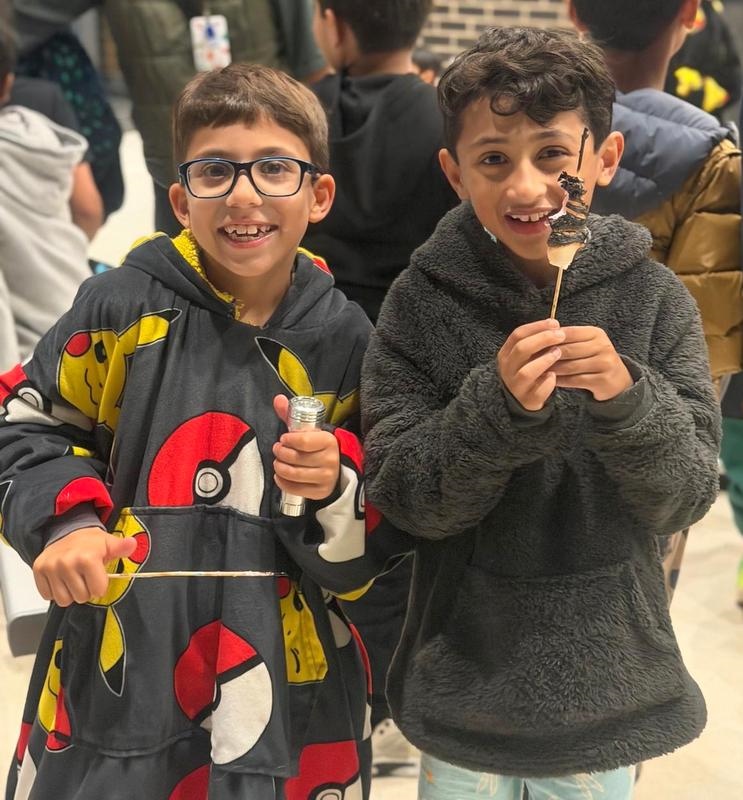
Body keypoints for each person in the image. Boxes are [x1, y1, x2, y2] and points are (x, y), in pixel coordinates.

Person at [1, 63, 409, 800]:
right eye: (216, 170)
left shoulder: (348, 339)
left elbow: (377, 536)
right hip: (118, 669)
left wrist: (334, 483)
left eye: (274, 168)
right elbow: (25, 423)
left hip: (291, 690)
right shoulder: (117, 309)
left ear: (318, 195)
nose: (244, 194)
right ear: (181, 200)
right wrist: (68, 524)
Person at [361, 26, 720, 800]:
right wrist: (492, 411)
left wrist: (627, 402)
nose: (526, 188)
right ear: (454, 173)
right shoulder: (418, 304)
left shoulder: (655, 301)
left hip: (607, 681)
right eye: (494, 159)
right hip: (463, 681)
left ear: (605, 159)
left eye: (553, 155)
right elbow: (404, 497)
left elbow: (687, 495)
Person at [304, 0, 458, 776]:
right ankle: (388, 697)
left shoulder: (304, 113)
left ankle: (325, 684)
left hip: (308, 346)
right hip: (412, 351)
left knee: (316, 517)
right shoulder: (442, 120)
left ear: (332, 21)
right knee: (392, 524)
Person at [569, 0, 742, 601]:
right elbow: (706, 346)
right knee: (640, 612)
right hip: (652, 438)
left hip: (526, 400)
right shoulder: (713, 161)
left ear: (573, 11)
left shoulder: (519, 133)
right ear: (690, 14)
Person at [13, 0, 329, 235]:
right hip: (173, 167)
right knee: (179, 287)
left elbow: (313, 66)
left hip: (273, 175)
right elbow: (19, 18)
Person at [304, 0, 458, 323]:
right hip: (417, 323)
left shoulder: (298, 114)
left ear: (334, 26)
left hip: (309, 316)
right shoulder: (450, 119)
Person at [0, 11, 91, 371]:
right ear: (8, 83)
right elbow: (88, 208)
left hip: (29, 368)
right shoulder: (36, 130)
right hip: (84, 322)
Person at [664, 0, 741, 120]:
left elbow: (733, 81)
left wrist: (708, 92)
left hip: (708, 119)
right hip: (667, 113)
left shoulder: (712, 12)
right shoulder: (662, 11)